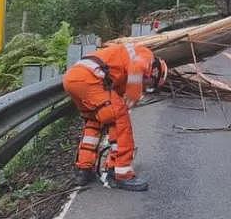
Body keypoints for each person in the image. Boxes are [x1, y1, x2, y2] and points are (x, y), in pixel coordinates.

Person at [62, 42, 168, 191]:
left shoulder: (123, 61)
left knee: (94, 122)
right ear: (155, 73)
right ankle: (121, 173)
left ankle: (83, 170)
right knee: (120, 121)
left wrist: (124, 97)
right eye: (150, 84)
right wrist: (134, 96)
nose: (146, 86)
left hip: (73, 79)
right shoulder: (147, 57)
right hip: (91, 79)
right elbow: (137, 68)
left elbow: (115, 91)